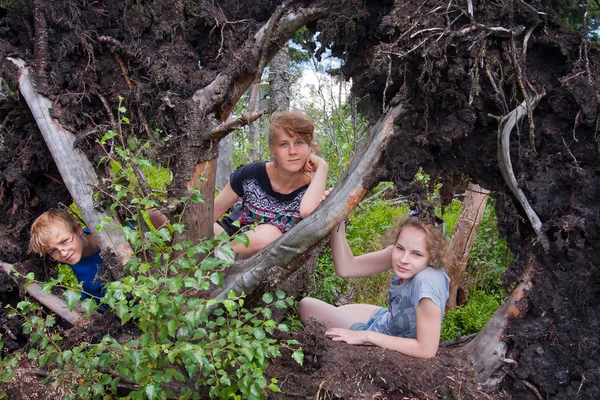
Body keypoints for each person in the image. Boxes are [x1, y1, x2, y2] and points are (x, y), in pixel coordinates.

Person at [298, 212, 450, 358]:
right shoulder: (405, 256)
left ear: (432, 255)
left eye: (417, 254)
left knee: (306, 306)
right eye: (400, 248)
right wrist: (338, 216)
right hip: (388, 319)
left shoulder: (427, 282)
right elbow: (346, 267)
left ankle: (359, 331)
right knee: (340, 311)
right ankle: (359, 327)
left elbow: (427, 350)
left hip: (382, 336)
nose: (404, 259)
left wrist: (365, 336)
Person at [213, 110, 329, 259]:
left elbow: (307, 212)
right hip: (228, 238)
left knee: (269, 235)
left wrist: (322, 166)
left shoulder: (313, 187)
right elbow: (209, 215)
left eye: (299, 142)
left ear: (309, 147)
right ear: (272, 149)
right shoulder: (251, 174)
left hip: (260, 258)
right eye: (283, 144)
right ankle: (218, 259)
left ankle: (217, 261)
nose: (292, 151)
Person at [29, 209, 105, 303]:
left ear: (78, 230)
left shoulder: (106, 237)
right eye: (53, 251)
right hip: (97, 305)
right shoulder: (67, 255)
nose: (63, 253)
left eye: (64, 242)